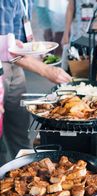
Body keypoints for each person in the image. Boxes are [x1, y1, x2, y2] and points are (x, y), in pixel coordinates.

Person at [0, 0, 72, 164]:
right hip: (3, 65)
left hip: (15, 64)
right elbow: (4, 47)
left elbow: (20, 32)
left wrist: (35, 52)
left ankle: (26, 170)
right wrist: (46, 70)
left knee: (20, 125)